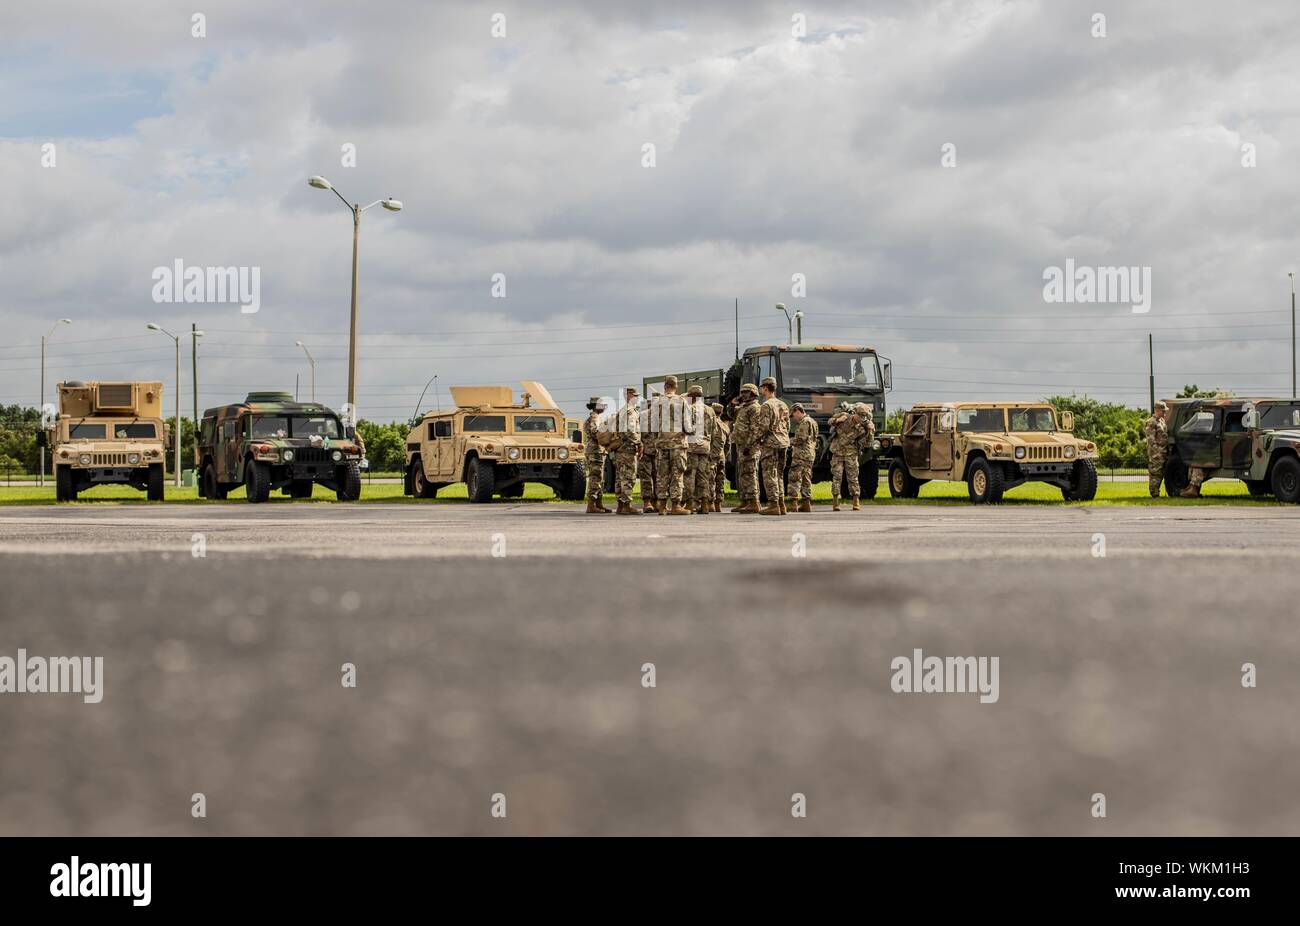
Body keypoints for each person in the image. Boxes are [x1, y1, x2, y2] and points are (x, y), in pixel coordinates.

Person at [653, 375, 692, 515]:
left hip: (662, 444)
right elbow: (688, 425)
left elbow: (653, 424)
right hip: (677, 445)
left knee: (662, 475)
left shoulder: (657, 402)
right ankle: (676, 505)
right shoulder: (682, 401)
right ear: (676, 386)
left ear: (665, 386)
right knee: (677, 474)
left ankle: (662, 506)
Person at [756, 377, 790, 515]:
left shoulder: (766, 405)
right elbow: (787, 425)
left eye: (761, 387)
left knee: (770, 474)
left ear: (765, 388)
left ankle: (773, 505)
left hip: (771, 443)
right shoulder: (783, 404)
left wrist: (755, 440)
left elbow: (764, 427)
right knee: (780, 475)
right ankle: (782, 504)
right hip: (783, 442)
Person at [729, 384, 762, 513]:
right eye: (742, 392)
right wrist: (732, 404)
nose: (743, 394)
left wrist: (749, 445)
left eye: (746, 392)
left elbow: (755, 429)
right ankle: (745, 500)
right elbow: (731, 414)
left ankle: (754, 502)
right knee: (743, 474)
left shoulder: (755, 408)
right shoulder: (743, 407)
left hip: (749, 446)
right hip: (741, 445)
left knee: (750, 473)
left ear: (753, 393)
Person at [683, 385, 716, 513]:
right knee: (703, 475)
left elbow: (686, 428)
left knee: (690, 474)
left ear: (691, 396)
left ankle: (690, 503)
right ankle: (705, 504)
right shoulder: (710, 410)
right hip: (705, 446)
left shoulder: (689, 409)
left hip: (692, 446)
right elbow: (714, 429)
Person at [612, 386, 643, 515]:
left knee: (620, 477)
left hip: (620, 450)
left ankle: (620, 505)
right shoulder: (630, 411)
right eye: (635, 396)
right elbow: (630, 430)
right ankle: (627, 505)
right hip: (627, 449)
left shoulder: (622, 410)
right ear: (629, 396)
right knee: (628, 477)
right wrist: (639, 442)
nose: (637, 398)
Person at [827, 402, 863, 511]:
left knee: (853, 477)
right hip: (837, 452)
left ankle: (856, 500)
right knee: (837, 477)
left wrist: (870, 430)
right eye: (859, 416)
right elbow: (829, 421)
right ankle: (835, 501)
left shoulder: (861, 426)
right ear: (855, 414)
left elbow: (866, 440)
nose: (860, 418)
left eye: (862, 417)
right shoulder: (844, 416)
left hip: (851, 454)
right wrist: (837, 420)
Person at [787, 403, 818, 513]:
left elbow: (801, 439)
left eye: (793, 415)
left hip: (801, 454)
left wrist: (788, 442)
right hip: (809, 454)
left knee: (794, 478)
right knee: (806, 479)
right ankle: (806, 503)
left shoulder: (804, 422)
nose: (793, 418)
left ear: (797, 411)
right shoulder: (813, 421)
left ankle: (793, 503)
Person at [582, 396, 611, 514]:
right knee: (595, 477)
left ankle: (598, 504)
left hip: (598, 451)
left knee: (600, 477)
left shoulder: (597, 418)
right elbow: (596, 434)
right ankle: (591, 505)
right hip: (595, 451)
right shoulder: (594, 418)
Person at [1143, 401, 1169, 498]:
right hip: (1156, 453)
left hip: (1163, 451)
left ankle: (1156, 491)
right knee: (1155, 473)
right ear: (1157, 410)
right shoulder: (1151, 422)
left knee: (1161, 472)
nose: (1165, 413)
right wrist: (1155, 454)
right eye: (1163, 411)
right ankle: (1154, 492)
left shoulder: (1161, 421)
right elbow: (1151, 440)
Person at [637, 390, 658, 513]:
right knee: (656, 478)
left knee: (649, 478)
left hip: (649, 450)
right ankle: (650, 503)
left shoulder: (643, 415)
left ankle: (649, 503)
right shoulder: (661, 416)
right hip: (651, 451)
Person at [710, 402, 729, 512]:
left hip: (712, 454)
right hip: (721, 455)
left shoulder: (711, 424)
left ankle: (711, 502)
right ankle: (718, 504)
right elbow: (728, 444)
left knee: (710, 479)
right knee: (720, 480)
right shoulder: (725, 426)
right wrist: (724, 454)